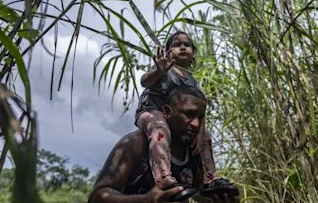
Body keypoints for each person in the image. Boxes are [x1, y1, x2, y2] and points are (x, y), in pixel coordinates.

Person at [88, 86, 240, 203]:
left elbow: (197, 195)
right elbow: (97, 197)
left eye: (201, 117)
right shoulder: (135, 144)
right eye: (188, 114)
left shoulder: (196, 152)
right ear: (167, 112)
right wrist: (145, 200)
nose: (196, 124)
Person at [135, 31, 216, 185]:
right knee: (159, 128)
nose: (183, 48)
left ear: (193, 53)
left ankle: (210, 179)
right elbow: (144, 82)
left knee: (205, 135)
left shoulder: (192, 81)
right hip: (151, 111)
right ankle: (163, 176)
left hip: (174, 119)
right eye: (177, 45)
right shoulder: (165, 69)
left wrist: (199, 133)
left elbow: (200, 111)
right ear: (168, 53)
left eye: (187, 45)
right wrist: (158, 71)